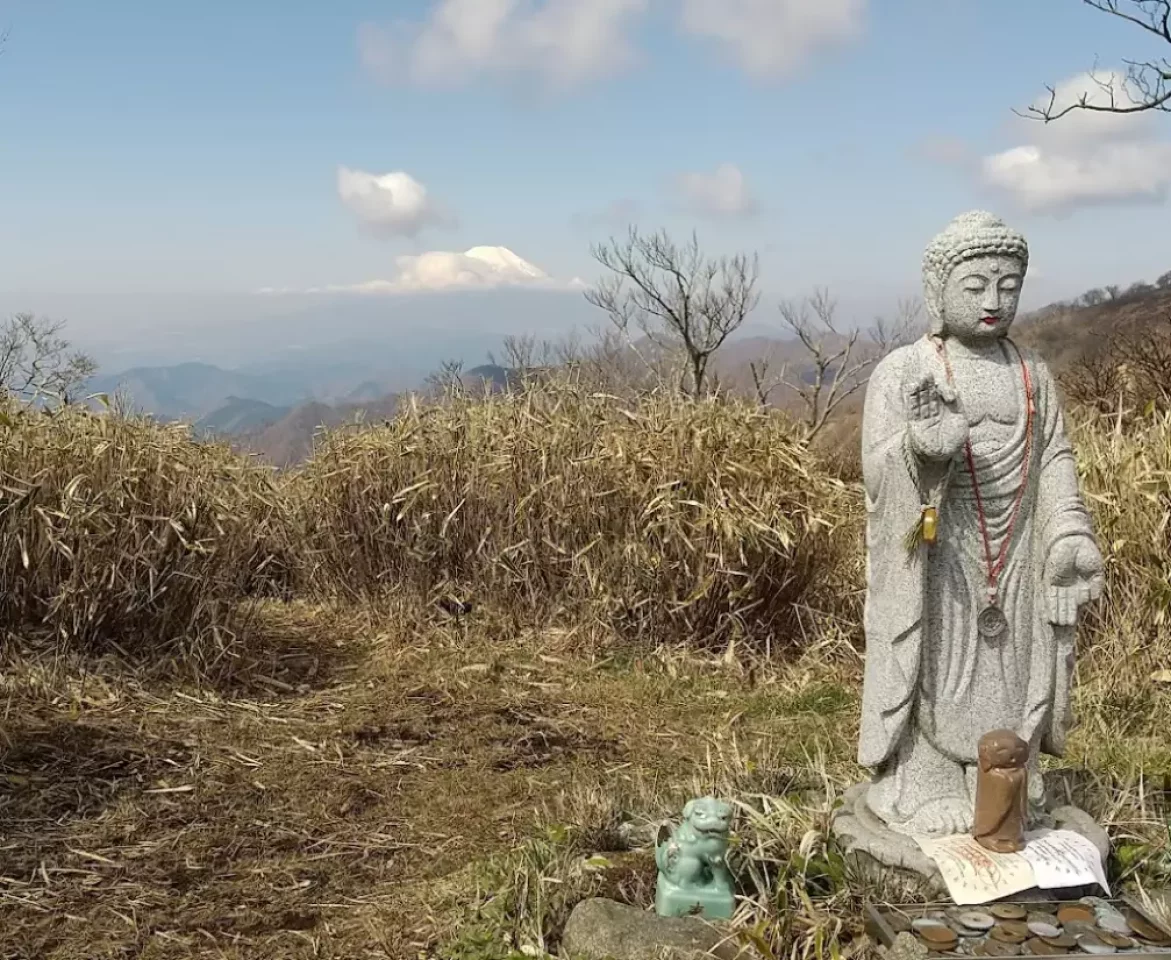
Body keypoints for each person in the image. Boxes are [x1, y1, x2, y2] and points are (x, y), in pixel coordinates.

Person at [857, 211, 1104, 837]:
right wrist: (921, 450)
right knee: (939, 661)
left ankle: (1003, 773)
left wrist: (1068, 532)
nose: (994, 302)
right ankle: (927, 773)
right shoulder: (906, 371)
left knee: (1015, 664)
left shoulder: (1032, 375)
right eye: (975, 286)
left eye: (1008, 286)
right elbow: (877, 475)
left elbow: (1053, 457)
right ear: (938, 292)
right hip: (940, 554)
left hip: (1018, 549)